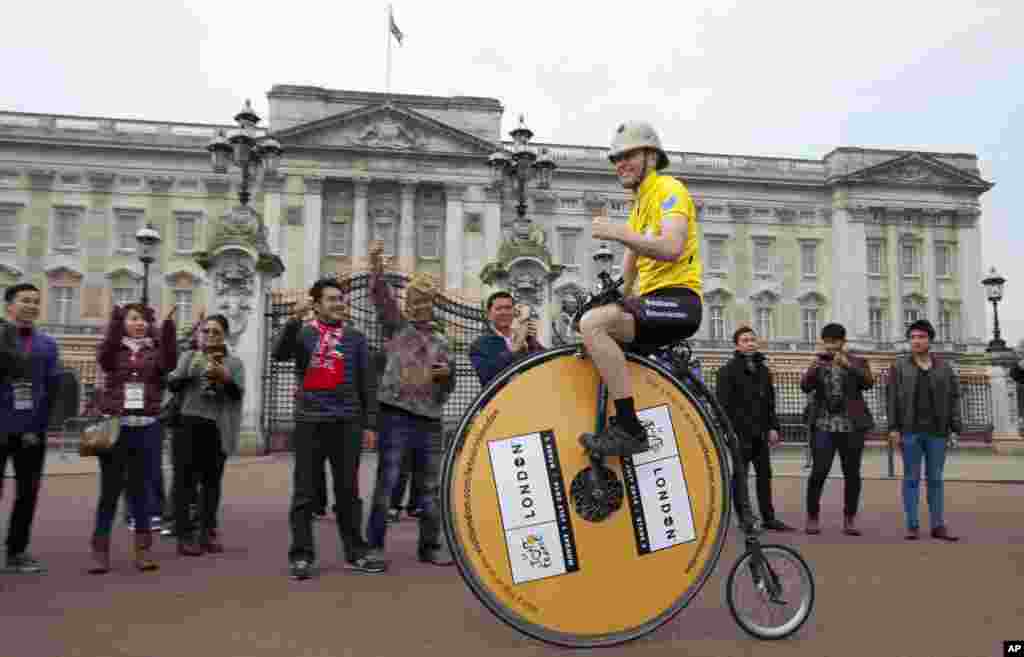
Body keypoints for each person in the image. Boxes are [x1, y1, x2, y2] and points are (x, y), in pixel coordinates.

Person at [576, 121, 703, 457]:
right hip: (650, 302)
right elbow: (631, 268)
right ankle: (621, 422)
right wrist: (613, 294)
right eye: (616, 159)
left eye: (628, 155)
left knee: (594, 324)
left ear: (651, 155)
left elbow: (671, 247)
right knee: (591, 330)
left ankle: (631, 430)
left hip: (678, 302)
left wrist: (618, 232)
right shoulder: (640, 205)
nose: (621, 164)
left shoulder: (669, 189)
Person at [272, 277, 384, 580]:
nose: (339, 304)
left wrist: (371, 423)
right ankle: (302, 555)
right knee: (304, 492)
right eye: (332, 299)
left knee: (348, 491)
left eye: (340, 299)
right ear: (317, 304)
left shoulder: (356, 338)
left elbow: (368, 384)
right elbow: (279, 353)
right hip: (310, 421)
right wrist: (294, 319)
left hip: (347, 422)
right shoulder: (305, 334)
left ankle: (355, 551)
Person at [365, 240, 456, 567]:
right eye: (415, 299)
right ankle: (374, 546)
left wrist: (446, 374)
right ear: (409, 301)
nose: (420, 305)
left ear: (433, 304)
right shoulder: (397, 327)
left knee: (430, 487)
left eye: (426, 300)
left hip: (430, 418)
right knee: (387, 483)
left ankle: (429, 546)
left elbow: (449, 383)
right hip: (397, 415)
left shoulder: (442, 340)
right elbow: (381, 298)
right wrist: (377, 269)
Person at [90, 303, 176, 573]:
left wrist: (168, 330)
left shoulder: (156, 350)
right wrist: (114, 324)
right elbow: (103, 357)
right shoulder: (112, 350)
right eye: (133, 319)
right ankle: (100, 552)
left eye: (144, 320)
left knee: (141, 491)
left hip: (147, 427)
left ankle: (142, 552)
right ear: (123, 322)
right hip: (117, 427)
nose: (139, 324)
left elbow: (170, 362)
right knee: (110, 491)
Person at [167, 314, 244, 556]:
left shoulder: (234, 363)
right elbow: (172, 384)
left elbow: (237, 394)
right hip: (187, 424)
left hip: (216, 426)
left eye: (216, 332)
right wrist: (192, 371)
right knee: (184, 482)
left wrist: (225, 377)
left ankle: (207, 531)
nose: (210, 336)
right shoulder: (189, 356)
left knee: (211, 484)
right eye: (206, 331)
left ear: (225, 336)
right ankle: (184, 534)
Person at [0, 283, 60, 573]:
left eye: (36, 302)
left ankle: (17, 551)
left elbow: (50, 388)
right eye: (25, 301)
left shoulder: (48, 344)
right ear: (9, 305)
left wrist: (41, 425)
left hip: (31, 430)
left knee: (28, 493)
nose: (32, 306)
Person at [887, 319, 961, 542]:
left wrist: (955, 428)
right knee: (911, 478)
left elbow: (954, 398)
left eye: (921, 337)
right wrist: (892, 428)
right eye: (913, 337)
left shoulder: (944, 368)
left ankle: (938, 525)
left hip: (937, 432)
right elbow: (891, 399)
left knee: (936, 479)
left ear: (930, 340)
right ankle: (912, 525)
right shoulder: (899, 367)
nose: (916, 341)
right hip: (909, 431)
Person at [715, 327, 794, 532]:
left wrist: (773, 427)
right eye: (745, 340)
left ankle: (769, 517)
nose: (750, 343)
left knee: (765, 475)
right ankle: (744, 517)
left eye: (752, 339)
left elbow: (769, 403)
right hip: (739, 434)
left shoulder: (764, 371)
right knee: (740, 477)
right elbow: (722, 406)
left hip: (760, 432)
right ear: (737, 345)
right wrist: (728, 432)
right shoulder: (727, 372)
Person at [800, 323, 875, 536]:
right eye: (828, 342)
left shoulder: (857, 361)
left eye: (835, 342)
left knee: (852, 473)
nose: (831, 346)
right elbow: (805, 386)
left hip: (851, 427)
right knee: (818, 471)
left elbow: (869, 383)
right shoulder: (819, 362)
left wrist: (848, 365)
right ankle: (812, 516)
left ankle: (849, 519)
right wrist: (813, 367)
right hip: (823, 425)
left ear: (843, 342)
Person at [469, 291, 545, 386]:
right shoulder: (479, 345)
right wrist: (516, 346)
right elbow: (487, 375)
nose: (504, 312)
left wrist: (532, 342)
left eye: (508, 308)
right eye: (499, 308)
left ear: (514, 312)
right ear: (489, 314)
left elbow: (546, 364)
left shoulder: (525, 337)